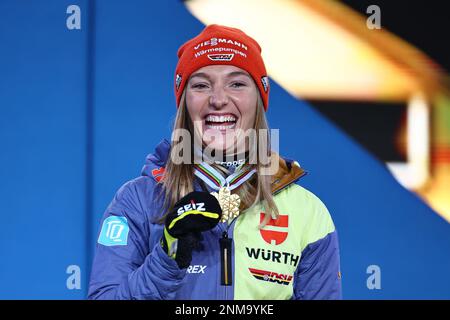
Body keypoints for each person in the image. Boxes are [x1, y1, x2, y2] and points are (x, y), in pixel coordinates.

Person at [88, 24, 342, 300]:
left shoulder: (307, 212)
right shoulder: (137, 201)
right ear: (185, 102)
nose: (218, 99)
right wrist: (166, 257)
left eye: (236, 83)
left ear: (259, 99)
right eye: (201, 85)